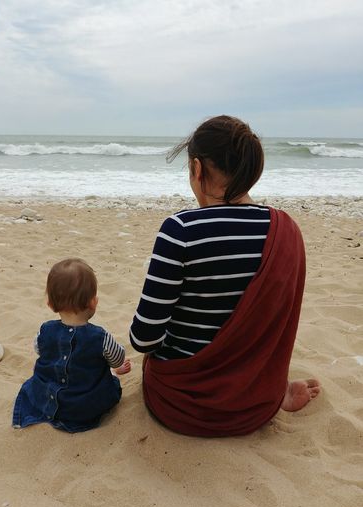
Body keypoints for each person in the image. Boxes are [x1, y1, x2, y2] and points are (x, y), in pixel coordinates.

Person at [130, 115, 320, 437]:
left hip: (180, 405)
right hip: (254, 405)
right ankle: (277, 391)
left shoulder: (180, 231)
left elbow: (144, 338)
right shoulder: (286, 230)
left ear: (197, 169)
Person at [13, 258, 131, 432]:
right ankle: (111, 376)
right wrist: (114, 366)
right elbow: (117, 358)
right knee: (103, 379)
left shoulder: (44, 331)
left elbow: (39, 350)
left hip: (48, 397)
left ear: (51, 305)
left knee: (49, 376)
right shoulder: (101, 337)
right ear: (93, 303)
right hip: (85, 406)